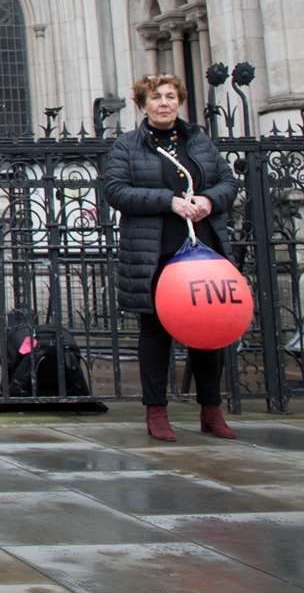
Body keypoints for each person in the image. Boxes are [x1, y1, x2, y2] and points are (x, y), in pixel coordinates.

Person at [102, 73, 241, 441]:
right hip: (155, 252)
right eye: (155, 97)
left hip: (203, 250)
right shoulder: (128, 146)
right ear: (142, 104)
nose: (163, 103)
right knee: (156, 332)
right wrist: (169, 201)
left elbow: (229, 182)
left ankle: (212, 410)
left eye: (169, 96)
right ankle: (157, 411)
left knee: (208, 333)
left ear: (179, 101)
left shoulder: (199, 141)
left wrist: (209, 200)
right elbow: (116, 191)